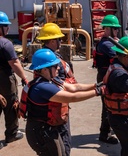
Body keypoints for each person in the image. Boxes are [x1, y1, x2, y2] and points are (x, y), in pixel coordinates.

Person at [21, 48, 106, 156]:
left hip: (48, 129)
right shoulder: (43, 87)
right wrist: (98, 92)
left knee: (62, 152)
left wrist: (96, 85)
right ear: (44, 69)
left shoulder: (51, 80)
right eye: (55, 66)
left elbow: (75, 88)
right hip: (40, 133)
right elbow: (72, 97)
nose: (58, 68)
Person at [36, 22, 77, 156]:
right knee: (64, 141)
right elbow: (59, 86)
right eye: (59, 39)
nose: (60, 41)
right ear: (53, 41)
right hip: (57, 108)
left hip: (47, 108)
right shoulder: (53, 61)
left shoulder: (41, 56)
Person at [93, 14, 121, 144]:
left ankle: (110, 129)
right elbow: (119, 55)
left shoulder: (110, 42)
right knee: (108, 105)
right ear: (107, 29)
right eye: (114, 29)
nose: (116, 31)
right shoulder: (106, 44)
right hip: (105, 77)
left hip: (108, 75)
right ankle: (104, 133)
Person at [0, 11, 26, 144]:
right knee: (10, 106)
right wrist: (24, 77)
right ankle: (12, 134)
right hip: (4, 80)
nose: (8, 28)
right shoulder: (5, 44)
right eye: (6, 26)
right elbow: (15, 63)